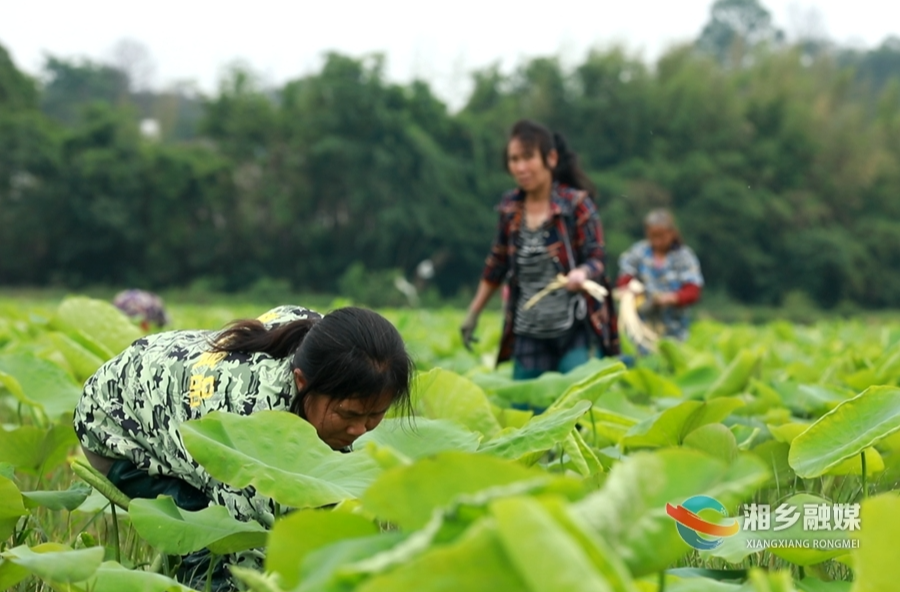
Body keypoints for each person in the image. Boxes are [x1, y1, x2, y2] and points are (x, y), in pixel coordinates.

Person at [73, 304, 413, 589]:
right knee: (209, 542)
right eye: (348, 414)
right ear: (301, 382)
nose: (360, 429)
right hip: (115, 422)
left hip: (176, 381)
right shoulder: (251, 426)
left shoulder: (324, 340)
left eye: (375, 415)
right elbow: (249, 561)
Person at [460, 119, 619, 380]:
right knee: (526, 403)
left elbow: (597, 257)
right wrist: (473, 313)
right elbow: (496, 265)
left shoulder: (576, 205)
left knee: (577, 399)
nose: (520, 167)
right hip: (528, 330)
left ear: (551, 158)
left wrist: (582, 273)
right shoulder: (510, 208)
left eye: (528, 157)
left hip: (575, 326)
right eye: (514, 159)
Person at [616, 208, 704, 341]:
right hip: (641, 326)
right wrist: (629, 289)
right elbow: (625, 276)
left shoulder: (684, 257)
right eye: (653, 237)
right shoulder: (639, 252)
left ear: (672, 233)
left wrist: (673, 298)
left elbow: (693, 290)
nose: (657, 241)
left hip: (674, 328)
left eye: (661, 237)